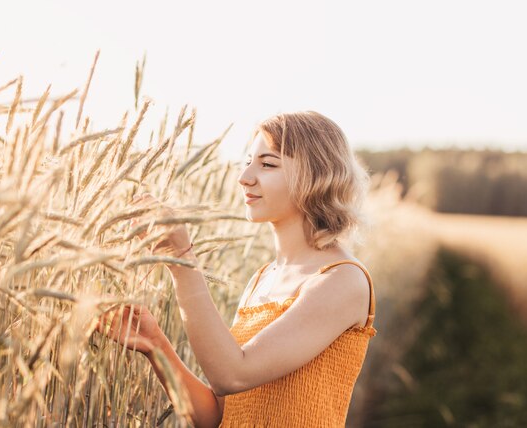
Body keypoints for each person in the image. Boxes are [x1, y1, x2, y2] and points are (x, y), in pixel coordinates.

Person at [98, 111, 377, 427]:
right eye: (248, 161)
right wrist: (156, 347)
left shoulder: (342, 279)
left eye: (268, 164)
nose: (245, 177)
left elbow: (232, 375)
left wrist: (184, 262)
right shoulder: (262, 279)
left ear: (317, 176)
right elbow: (216, 417)